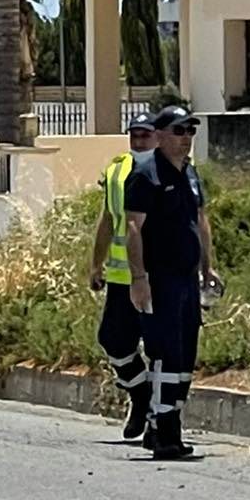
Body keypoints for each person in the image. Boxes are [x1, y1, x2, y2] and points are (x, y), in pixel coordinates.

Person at [123, 104, 221, 460]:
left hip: (187, 280)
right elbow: (133, 227)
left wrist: (207, 266)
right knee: (166, 355)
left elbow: (200, 220)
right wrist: (139, 279)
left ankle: (159, 424)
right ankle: (166, 433)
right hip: (160, 278)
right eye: (179, 132)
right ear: (160, 135)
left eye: (190, 132)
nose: (186, 139)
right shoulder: (146, 173)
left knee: (185, 357)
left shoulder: (189, 174)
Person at [89, 115, 159, 439]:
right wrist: (95, 264)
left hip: (157, 277)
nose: (139, 141)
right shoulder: (117, 169)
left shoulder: (167, 170)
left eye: (145, 135)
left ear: (157, 137)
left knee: (160, 348)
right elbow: (108, 219)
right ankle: (140, 393)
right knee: (113, 340)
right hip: (121, 278)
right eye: (134, 135)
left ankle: (160, 420)